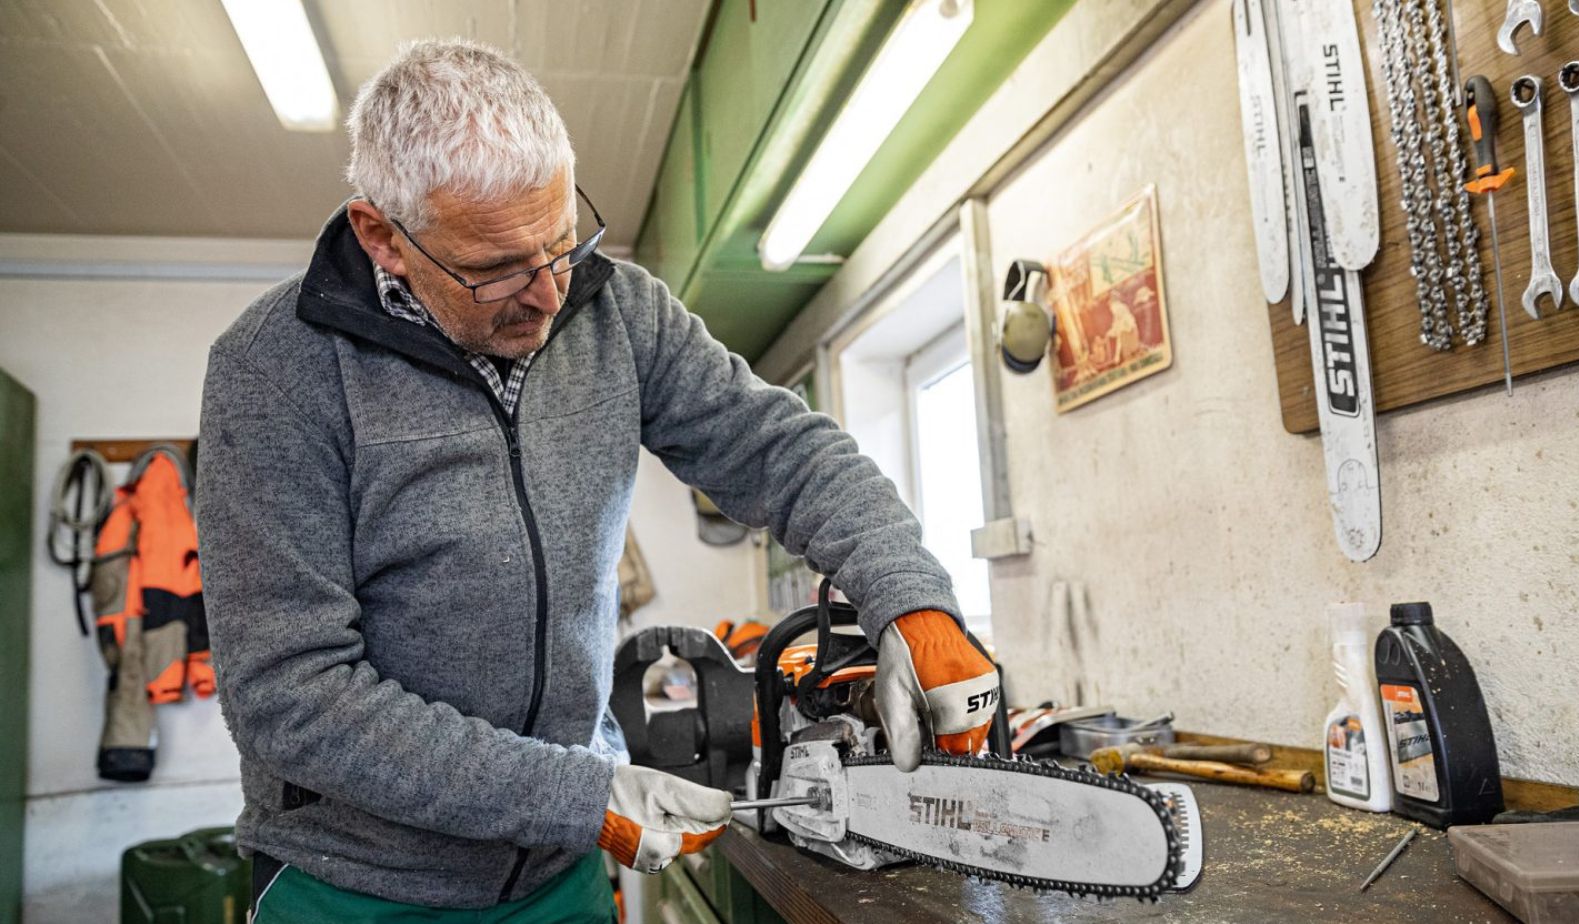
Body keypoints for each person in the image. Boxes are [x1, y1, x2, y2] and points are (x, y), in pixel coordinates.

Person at [196, 38, 999, 922]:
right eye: (497, 267)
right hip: (354, 890)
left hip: (559, 878)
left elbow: (782, 450)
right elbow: (290, 696)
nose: (547, 295)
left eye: (561, 245)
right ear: (382, 237)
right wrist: (579, 797)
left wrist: (911, 598)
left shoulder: (619, 312)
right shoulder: (276, 372)